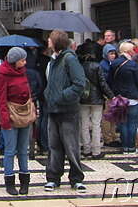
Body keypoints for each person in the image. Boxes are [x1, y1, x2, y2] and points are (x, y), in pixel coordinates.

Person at [43, 29, 87, 194]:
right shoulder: (54, 59)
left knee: (71, 145)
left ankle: (76, 178)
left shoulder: (69, 59)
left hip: (68, 109)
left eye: (50, 39)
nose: (48, 41)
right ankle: (53, 177)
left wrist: (62, 96)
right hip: (53, 109)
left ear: (55, 43)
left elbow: (79, 84)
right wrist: (49, 95)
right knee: (54, 145)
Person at [0, 47, 37, 196]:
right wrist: (4, 120)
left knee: (23, 150)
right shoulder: (3, 75)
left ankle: (25, 181)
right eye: (23, 60)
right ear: (15, 61)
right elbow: (1, 99)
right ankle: (9, 181)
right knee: (10, 150)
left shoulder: (23, 72)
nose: (25, 62)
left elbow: (28, 92)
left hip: (24, 114)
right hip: (11, 116)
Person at [109, 41, 138, 155]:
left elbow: (110, 80)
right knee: (133, 123)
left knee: (123, 122)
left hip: (120, 97)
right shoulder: (133, 65)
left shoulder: (114, 64)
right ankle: (131, 147)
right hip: (133, 97)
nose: (134, 52)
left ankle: (124, 147)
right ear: (128, 51)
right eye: (133, 50)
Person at [79, 49, 114, 160]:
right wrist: (111, 96)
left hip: (83, 99)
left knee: (84, 125)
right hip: (97, 99)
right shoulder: (97, 66)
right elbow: (102, 83)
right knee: (96, 125)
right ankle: (96, 151)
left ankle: (86, 149)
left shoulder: (79, 66)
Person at [100, 44, 120, 148]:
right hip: (107, 94)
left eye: (114, 53)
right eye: (110, 53)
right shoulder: (103, 65)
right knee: (107, 117)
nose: (113, 56)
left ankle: (113, 136)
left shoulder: (113, 64)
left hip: (114, 93)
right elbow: (104, 80)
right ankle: (107, 138)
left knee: (113, 116)